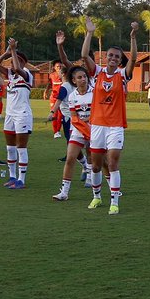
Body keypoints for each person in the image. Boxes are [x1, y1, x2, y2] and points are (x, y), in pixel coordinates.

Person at [63, 18, 138, 215]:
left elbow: (134, 60)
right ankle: (97, 197)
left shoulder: (122, 75)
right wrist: (89, 33)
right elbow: (83, 54)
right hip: (97, 125)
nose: (113, 58)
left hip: (115, 126)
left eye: (116, 57)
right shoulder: (97, 72)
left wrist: (133, 37)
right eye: (110, 55)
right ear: (106, 57)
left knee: (112, 161)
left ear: (120, 60)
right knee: (96, 165)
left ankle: (114, 201)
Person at [51, 59, 93, 202]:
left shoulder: (94, 93)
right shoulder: (73, 96)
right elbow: (74, 117)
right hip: (78, 128)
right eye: (79, 77)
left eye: (84, 77)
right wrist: (84, 128)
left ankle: (100, 184)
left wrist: (91, 128)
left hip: (94, 128)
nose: (83, 79)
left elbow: (98, 113)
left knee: (95, 157)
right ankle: (64, 192)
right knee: (70, 158)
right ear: (74, 81)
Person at [0, 39, 36, 189]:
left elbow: (18, 69)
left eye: (17, 61)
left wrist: (13, 50)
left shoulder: (26, 75)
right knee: (9, 148)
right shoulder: (10, 75)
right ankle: (12, 176)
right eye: (12, 61)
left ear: (24, 63)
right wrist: (6, 53)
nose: (13, 63)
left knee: (21, 147)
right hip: (10, 115)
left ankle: (21, 179)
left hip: (22, 115)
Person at [45, 63, 66, 139]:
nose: (59, 68)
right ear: (54, 67)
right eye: (57, 66)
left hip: (61, 98)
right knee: (54, 115)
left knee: (60, 116)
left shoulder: (63, 75)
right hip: (53, 97)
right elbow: (49, 84)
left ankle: (58, 131)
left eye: (60, 66)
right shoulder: (51, 75)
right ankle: (55, 132)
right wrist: (46, 91)